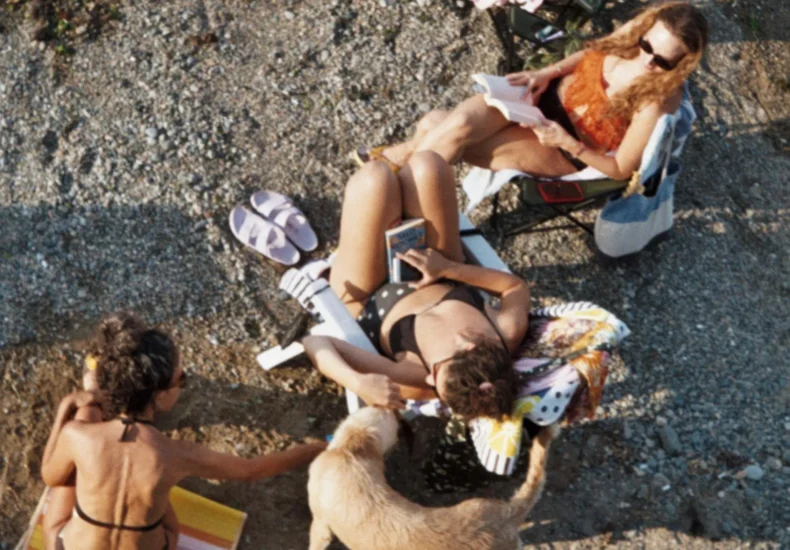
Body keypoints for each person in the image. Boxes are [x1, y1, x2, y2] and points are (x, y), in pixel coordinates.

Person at [41, 312, 326, 550]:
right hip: (157, 538)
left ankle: (92, 393)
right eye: (182, 380)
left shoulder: (77, 435)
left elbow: (51, 477)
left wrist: (68, 410)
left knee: (76, 460)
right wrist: (316, 449)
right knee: (156, 488)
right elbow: (251, 470)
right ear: (161, 396)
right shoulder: (177, 454)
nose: (183, 383)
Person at [362, 1, 708, 181]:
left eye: (663, 61)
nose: (648, 60)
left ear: (680, 66)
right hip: (537, 101)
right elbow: (592, 52)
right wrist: (547, 71)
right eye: (647, 46)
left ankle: (390, 190)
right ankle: (393, 198)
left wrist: (567, 143)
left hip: (564, 144)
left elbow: (620, 169)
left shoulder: (656, 101)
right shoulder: (635, 36)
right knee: (455, 127)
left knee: (435, 126)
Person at [302, 151, 529, 418]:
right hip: (440, 268)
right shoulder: (505, 331)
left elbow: (315, 342)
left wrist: (356, 382)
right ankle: (396, 202)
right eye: (436, 375)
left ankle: (381, 217)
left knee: (374, 179)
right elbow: (514, 287)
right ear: (469, 345)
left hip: (368, 294)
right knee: (429, 165)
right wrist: (450, 268)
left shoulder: (416, 377)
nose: (431, 382)